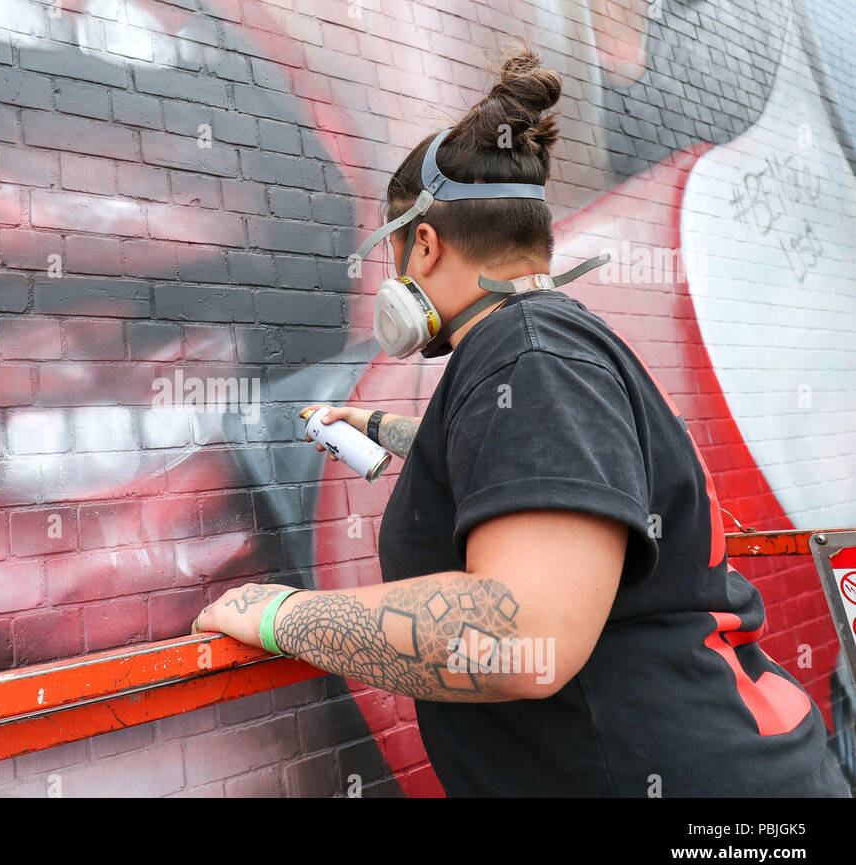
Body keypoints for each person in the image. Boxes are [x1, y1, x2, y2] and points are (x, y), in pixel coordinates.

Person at [194, 47, 851, 797]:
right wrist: (390, 431)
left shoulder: (527, 354)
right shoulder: (550, 346)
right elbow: (543, 461)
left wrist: (282, 616)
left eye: (395, 253)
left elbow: (520, 636)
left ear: (426, 243)